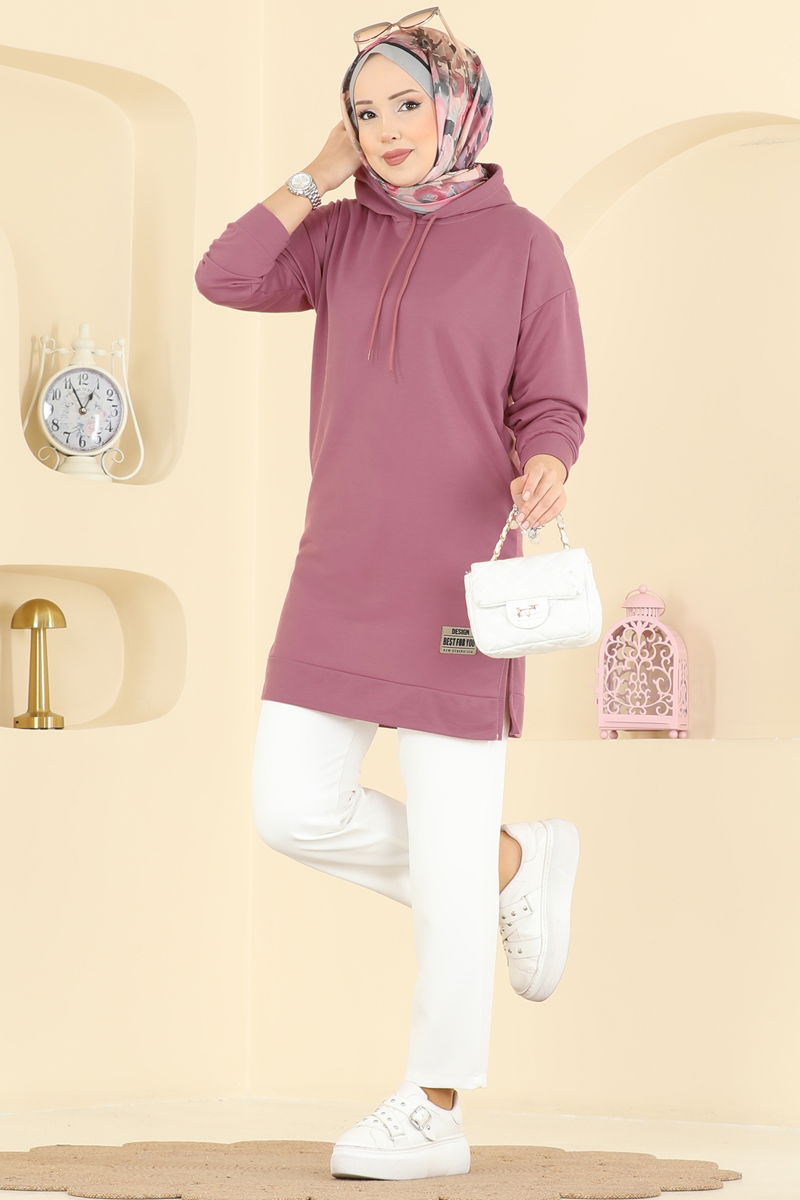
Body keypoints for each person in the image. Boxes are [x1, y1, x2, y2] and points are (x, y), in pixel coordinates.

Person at [194, 15, 587, 1183]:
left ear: (456, 104)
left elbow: (552, 398)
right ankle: (510, 868)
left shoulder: (525, 247)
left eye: (404, 106)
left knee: (447, 847)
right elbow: (225, 276)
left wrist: (548, 459)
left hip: (459, 584)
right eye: (364, 113)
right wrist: (314, 173)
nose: (385, 131)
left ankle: (434, 1104)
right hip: (337, 573)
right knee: (290, 806)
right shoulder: (336, 233)